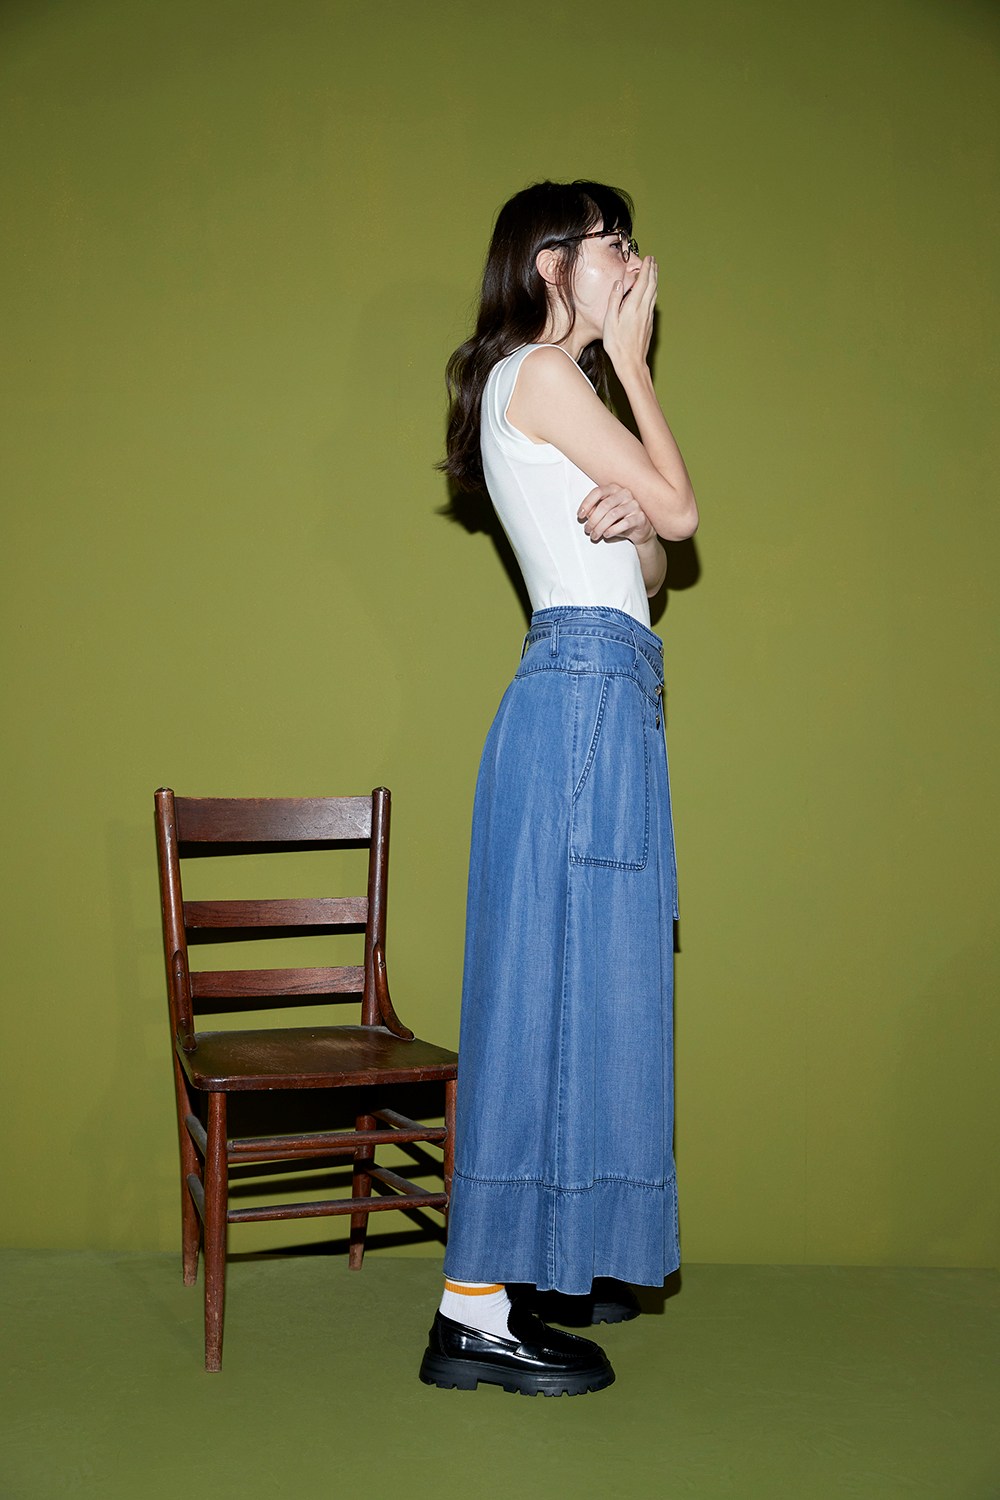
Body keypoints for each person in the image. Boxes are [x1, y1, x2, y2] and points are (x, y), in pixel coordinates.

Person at [418, 179, 699, 1397]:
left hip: (603, 692)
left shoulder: (546, 390)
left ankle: (539, 1260)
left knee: (592, 989)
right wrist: (633, 364)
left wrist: (635, 514)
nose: (632, 260)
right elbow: (686, 510)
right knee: (544, 995)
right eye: (610, 243)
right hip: (584, 695)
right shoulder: (542, 374)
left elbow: (656, 558)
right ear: (549, 263)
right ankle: (473, 1313)